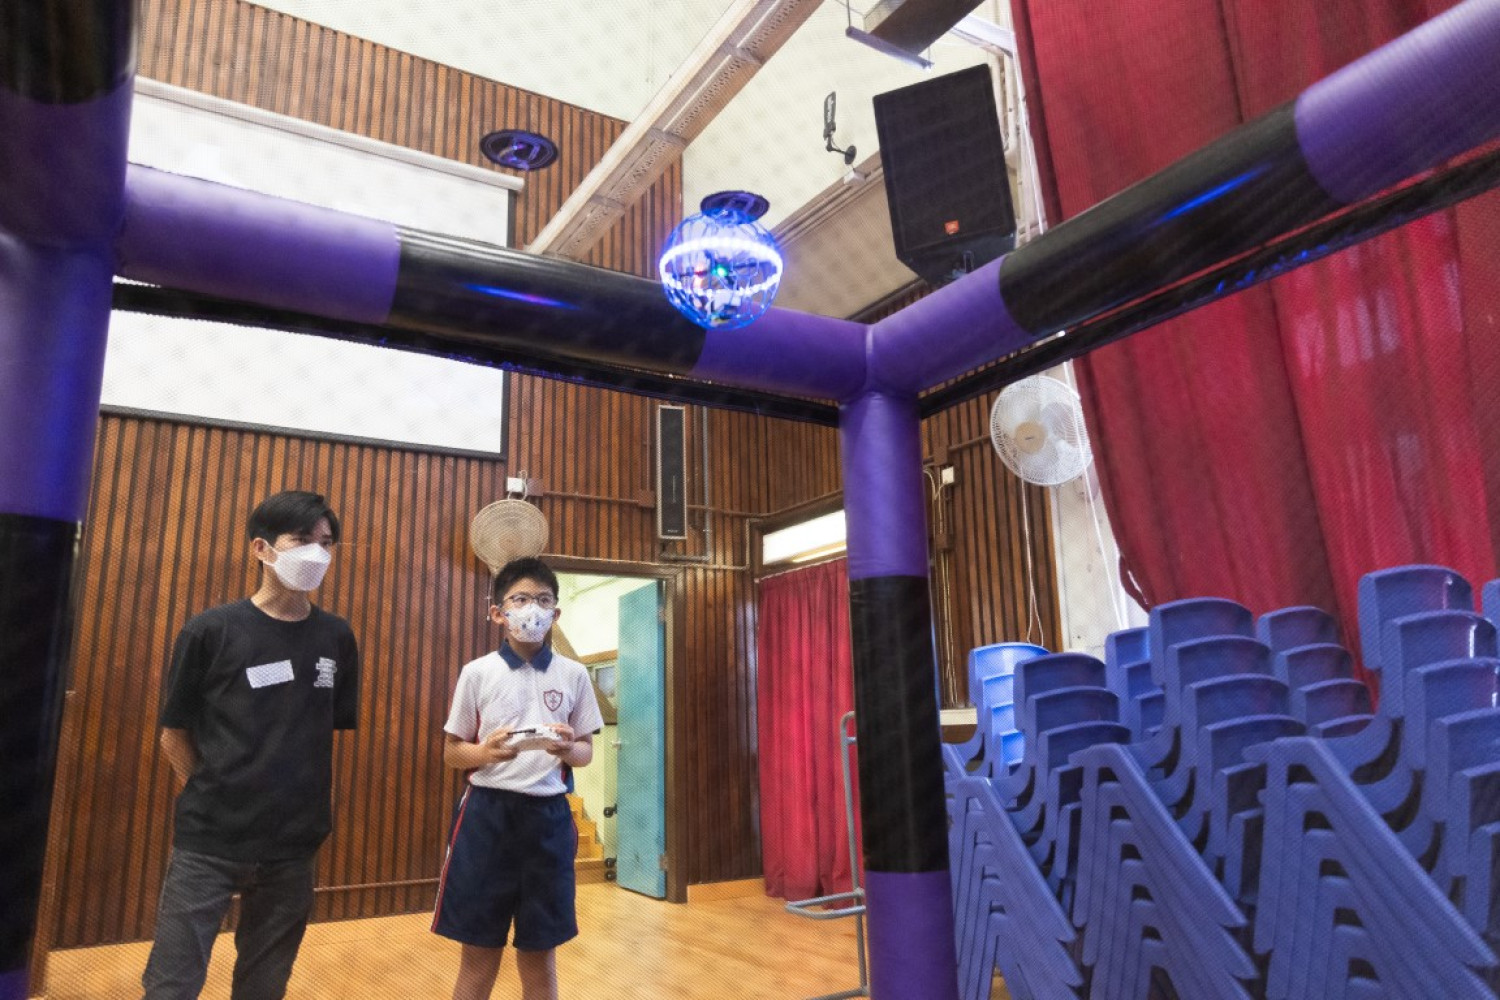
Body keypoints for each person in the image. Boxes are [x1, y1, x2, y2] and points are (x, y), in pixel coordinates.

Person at [142, 490, 360, 1000]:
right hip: (210, 842)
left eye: (326, 542)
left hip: (293, 846)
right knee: (171, 985)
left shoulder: (336, 637)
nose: (317, 553)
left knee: (264, 986)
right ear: (261, 549)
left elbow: (321, 728)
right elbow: (174, 732)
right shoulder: (210, 631)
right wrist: (212, 791)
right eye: (301, 539)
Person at [433, 556, 605, 1000]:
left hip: (548, 819)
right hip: (486, 816)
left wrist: (566, 749)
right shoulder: (477, 672)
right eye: (521, 599)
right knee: (478, 955)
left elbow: (585, 751)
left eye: (544, 600)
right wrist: (484, 752)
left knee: (540, 956)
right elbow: (452, 752)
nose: (533, 609)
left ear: (556, 613)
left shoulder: (574, 674)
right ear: (498, 612)